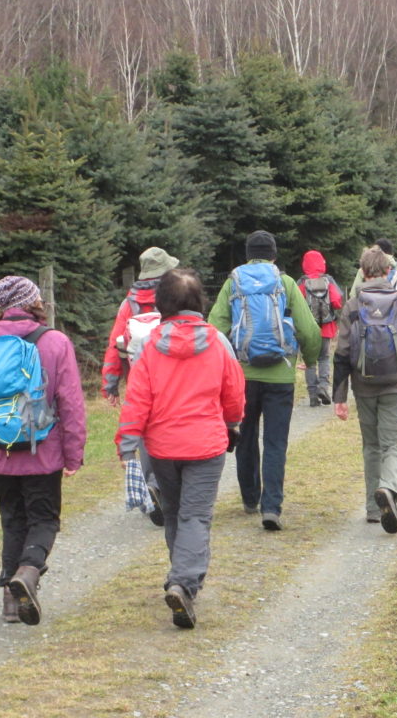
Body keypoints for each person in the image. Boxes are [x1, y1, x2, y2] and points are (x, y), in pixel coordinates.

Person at [0, 275, 86, 625]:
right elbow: (70, 403)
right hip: (43, 453)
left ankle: (10, 603)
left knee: (13, 523)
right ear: (35, 302)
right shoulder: (55, 343)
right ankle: (28, 573)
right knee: (43, 520)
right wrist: (73, 454)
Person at [115, 268, 245, 629]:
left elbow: (137, 401)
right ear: (199, 301)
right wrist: (233, 422)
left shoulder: (150, 346)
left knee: (174, 514)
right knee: (195, 516)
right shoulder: (218, 342)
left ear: (162, 303)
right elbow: (233, 393)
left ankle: (182, 578)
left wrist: (127, 444)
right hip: (206, 445)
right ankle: (183, 583)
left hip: (162, 447)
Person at [208, 230, 322, 531]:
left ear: (248, 254)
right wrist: (310, 361)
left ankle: (249, 497)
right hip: (281, 374)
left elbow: (214, 328)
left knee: (244, 436)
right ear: (274, 255)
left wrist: (223, 366)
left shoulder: (233, 282)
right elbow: (309, 330)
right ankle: (271, 506)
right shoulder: (284, 283)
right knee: (275, 442)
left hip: (241, 375)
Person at [333, 246, 397, 533]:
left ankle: (374, 510)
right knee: (394, 444)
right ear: (389, 271)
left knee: (371, 445)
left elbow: (342, 353)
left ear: (362, 272)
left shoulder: (352, 306)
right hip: (396, 382)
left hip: (364, 384)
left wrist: (340, 396)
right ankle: (388, 488)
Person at [100, 247, 180, 527]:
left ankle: (152, 483)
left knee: (146, 435)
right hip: (174, 375)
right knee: (174, 428)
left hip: (139, 378)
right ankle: (168, 484)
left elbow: (114, 344)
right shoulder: (174, 294)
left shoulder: (129, 303)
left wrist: (110, 383)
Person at [297, 249, 344, 407]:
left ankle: (312, 396)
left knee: (310, 361)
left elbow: (296, 305)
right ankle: (323, 386)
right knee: (324, 358)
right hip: (326, 327)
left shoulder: (302, 282)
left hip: (309, 330)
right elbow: (337, 302)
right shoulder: (328, 280)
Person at [349, 238, 397, 303]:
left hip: (367, 312)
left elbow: (353, 295)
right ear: (391, 253)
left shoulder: (364, 268)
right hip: (395, 313)